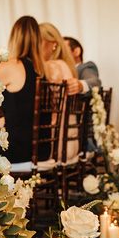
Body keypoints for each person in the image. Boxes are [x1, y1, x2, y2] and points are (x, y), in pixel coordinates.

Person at [0, 16, 50, 165]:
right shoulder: (43, 70)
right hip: (42, 149)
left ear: (14, 38)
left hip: (19, 151)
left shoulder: (12, 66)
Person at [39, 23, 80, 162]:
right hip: (71, 140)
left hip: (54, 145)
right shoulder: (66, 65)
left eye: (39, 41)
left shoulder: (51, 66)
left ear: (53, 44)